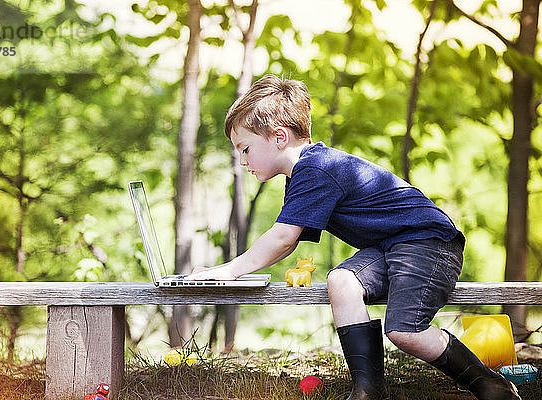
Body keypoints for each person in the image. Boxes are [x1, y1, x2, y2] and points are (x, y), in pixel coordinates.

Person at [186, 74, 520, 400]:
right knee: (342, 280)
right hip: (390, 247)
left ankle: (491, 385)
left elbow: (284, 237)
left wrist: (230, 270)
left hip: (427, 242)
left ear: (279, 137)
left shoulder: (316, 169)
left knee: (405, 331)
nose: (242, 161)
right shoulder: (304, 173)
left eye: (245, 149)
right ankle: (368, 389)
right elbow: (287, 237)